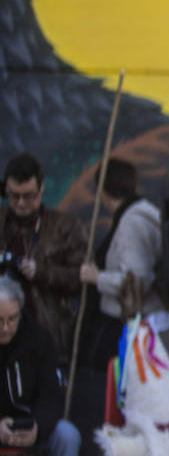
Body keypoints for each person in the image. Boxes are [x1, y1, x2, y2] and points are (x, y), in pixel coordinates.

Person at [0, 277, 80, 456]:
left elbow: (51, 396)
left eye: (12, 319)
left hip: (30, 425)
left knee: (67, 437)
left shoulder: (38, 339)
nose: (6, 327)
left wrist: (37, 426)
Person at [79, 159, 169, 360]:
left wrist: (97, 277)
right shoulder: (144, 212)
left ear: (103, 191)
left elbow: (137, 281)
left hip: (132, 324)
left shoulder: (132, 222)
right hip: (144, 321)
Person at [1, 153, 86, 364]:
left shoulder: (66, 225)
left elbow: (82, 279)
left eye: (29, 196)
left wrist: (42, 272)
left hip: (47, 332)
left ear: (41, 189)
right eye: (14, 196)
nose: (21, 203)